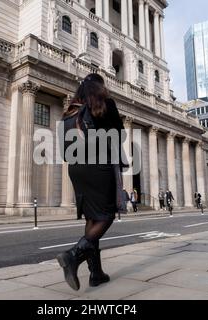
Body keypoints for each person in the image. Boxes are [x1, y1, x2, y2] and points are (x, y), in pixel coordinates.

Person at [56, 74, 125, 291]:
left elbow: (64, 150)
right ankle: (73, 256)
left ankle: (96, 274)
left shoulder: (70, 112)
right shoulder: (106, 105)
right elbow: (120, 136)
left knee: (92, 216)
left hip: (76, 169)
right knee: (106, 215)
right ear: (100, 88)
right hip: (98, 165)